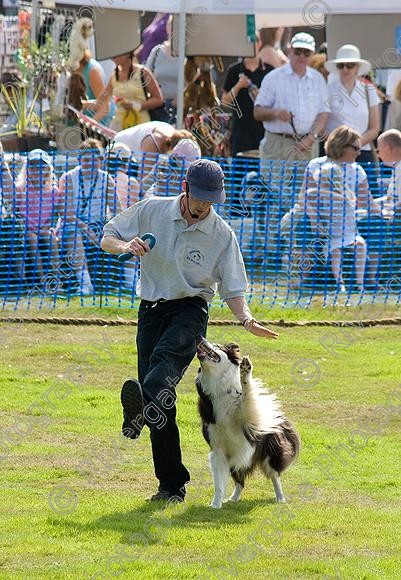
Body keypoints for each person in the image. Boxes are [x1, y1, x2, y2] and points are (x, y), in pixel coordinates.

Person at [100, 158, 279, 502]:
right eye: (199, 199)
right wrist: (126, 246)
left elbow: (232, 288)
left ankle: (137, 412)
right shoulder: (151, 209)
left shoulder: (220, 234)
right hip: (151, 309)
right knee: (160, 401)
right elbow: (108, 236)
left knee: (159, 373)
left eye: (211, 201)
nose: (204, 206)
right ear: (185, 188)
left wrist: (247, 320)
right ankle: (171, 486)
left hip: (190, 309)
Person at [300, 126, 384, 291]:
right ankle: (304, 279)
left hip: (349, 218)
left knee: (377, 225)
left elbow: (367, 200)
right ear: (341, 145)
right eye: (356, 148)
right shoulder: (316, 164)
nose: (359, 153)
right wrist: (314, 218)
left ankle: (369, 280)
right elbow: (304, 197)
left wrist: (382, 214)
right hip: (321, 216)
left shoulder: (357, 170)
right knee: (303, 224)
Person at [58, 139, 121, 295]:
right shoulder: (68, 178)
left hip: (99, 225)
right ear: (79, 160)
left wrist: (110, 229)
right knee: (72, 232)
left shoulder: (106, 179)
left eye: (94, 160)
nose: (90, 164)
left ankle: (130, 282)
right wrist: (86, 228)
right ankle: (85, 284)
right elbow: (66, 214)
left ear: (100, 161)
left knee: (126, 231)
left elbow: (118, 211)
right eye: (86, 160)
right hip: (74, 224)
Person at [254, 32, 329, 162]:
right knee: (275, 183)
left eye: (306, 53)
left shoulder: (318, 79)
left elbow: (323, 113)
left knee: (306, 183)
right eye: (298, 51)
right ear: (290, 51)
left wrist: (311, 138)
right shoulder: (273, 77)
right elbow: (257, 112)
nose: (301, 56)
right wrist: (276, 113)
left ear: (312, 55)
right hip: (278, 144)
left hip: (308, 145)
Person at [324, 45, 380, 165]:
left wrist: (356, 144)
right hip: (335, 153)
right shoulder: (327, 90)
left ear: (357, 67)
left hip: (363, 152)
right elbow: (321, 124)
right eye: (341, 65)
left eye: (350, 65)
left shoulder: (369, 90)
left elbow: (374, 128)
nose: (345, 69)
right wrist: (340, 145)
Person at [15, 149, 61, 285]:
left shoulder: (53, 191)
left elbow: (53, 215)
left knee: (50, 238)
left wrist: (48, 228)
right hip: (27, 231)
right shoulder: (20, 189)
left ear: (47, 169)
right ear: (27, 169)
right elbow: (17, 213)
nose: (37, 169)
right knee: (32, 239)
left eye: (41, 166)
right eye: (33, 166)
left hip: (44, 229)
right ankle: (43, 281)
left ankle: (56, 279)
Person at [95, 51, 164, 132]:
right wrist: (83, 104)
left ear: (128, 52)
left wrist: (135, 106)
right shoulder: (113, 76)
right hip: (119, 127)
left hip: (141, 127)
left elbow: (158, 99)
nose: (114, 56)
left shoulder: (143, 72)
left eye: (119, 51)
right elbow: (101, 100)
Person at [222, 53, 272, 156]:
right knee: (241, 168)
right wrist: (238, 86)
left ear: (260, 44)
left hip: (264, 130)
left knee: (261, 168)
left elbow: (276, 102)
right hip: (240, 131)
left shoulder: (270, 71)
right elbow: (224, 102)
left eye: (255, 41)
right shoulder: (234, 70)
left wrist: (261, 95)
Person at [146, 15, 179, 119]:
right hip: (158, 109)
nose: (174, 30)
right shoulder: (157, 51)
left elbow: (194, 81)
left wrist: (183, 97)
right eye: (171, 25)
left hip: (182, 109)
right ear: (167, 28)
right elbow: (146, 77)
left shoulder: (189, 54)